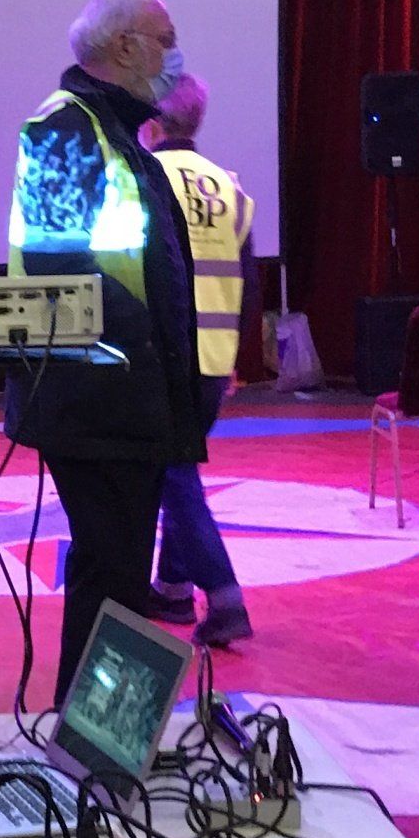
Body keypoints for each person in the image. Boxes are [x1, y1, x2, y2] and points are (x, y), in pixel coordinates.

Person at [6, 0, 203, 706]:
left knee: (114, 576)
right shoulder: (65, 126)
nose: (175, 55)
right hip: (95, 397)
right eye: (165, 35)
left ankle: (93, 742)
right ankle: (91, 744)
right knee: (113, 577)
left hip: (129, 397)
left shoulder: (122, 135)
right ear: (124, 46)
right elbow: (61, 263)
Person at [140, 73, 256, 649]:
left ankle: (225, 594)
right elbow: (247, 280)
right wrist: (237, 358)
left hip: (167, 359)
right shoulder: (228, 186)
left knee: (174, 475)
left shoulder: (147, 179)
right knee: (176, 467)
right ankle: (173, 586)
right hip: (214, 357)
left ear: (151, 120)